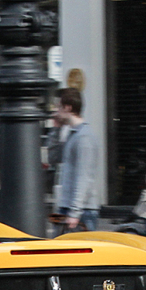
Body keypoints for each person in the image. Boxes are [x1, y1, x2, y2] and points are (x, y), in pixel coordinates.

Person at [49, 88, 100, 234]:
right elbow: (53, 158)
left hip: (81, 211)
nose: (56, 112)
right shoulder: (72, 135)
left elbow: (84, 177)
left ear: (67, 108)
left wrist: (75, 213)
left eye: (58, 107)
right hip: (66, 206)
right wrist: (56, 130)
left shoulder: (84, 138)